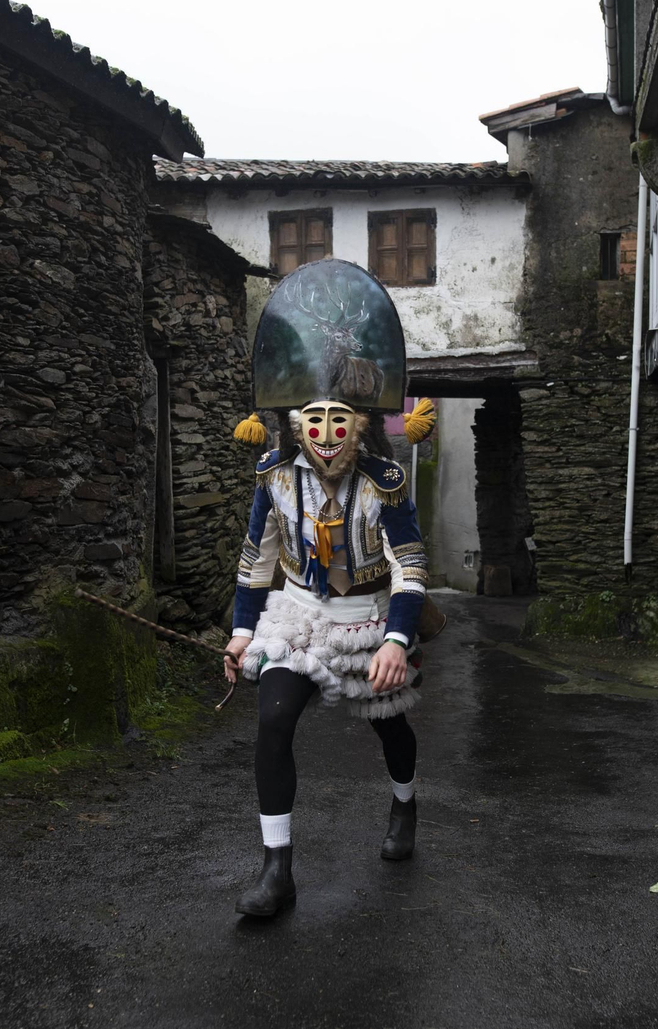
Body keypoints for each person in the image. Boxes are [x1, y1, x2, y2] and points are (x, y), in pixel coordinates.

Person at [222, 259, 436, 918]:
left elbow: (409, 563)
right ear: (295, 421)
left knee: (389, 726)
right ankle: (277, 871)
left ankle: (405, 804)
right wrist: (240, 628)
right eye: (312, 419)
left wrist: (397, 638)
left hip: (367, 619)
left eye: (338, 420)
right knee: (274, 720)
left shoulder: (384, 480)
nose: (324, 432)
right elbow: (257, 559)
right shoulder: (274, 476)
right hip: (299, 616)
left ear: (360, 423)